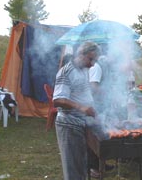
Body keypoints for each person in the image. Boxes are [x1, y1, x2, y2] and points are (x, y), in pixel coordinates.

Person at [53, 41, 100, 180]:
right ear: (80, 54)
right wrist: (82, 107)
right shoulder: (66, 71)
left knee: (81, 166)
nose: (92, 64)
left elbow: (82, 92)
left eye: (95, 60)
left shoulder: (84, 70)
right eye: (91, 59)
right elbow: (58, 100)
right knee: (73, 170)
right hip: (69, 125)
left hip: (81, 124)